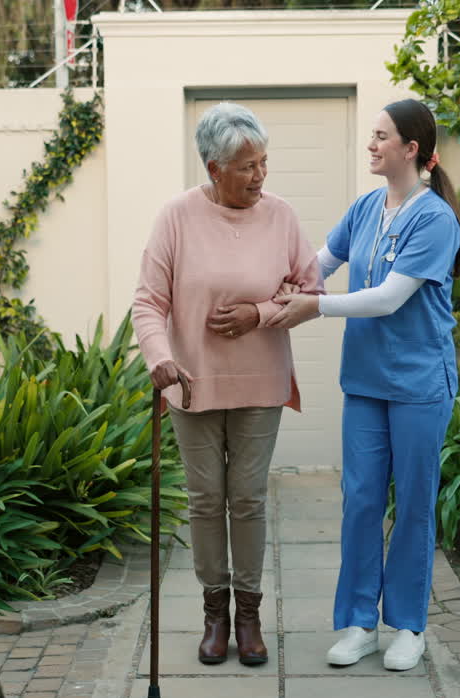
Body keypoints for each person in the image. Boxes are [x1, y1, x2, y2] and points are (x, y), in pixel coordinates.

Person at [269, 98, 460, 672]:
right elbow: (318, 263)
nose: (372, 145)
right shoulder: (364, 208)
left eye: (382, 137)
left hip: (419, 383)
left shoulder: (435, 219)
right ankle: (358, 623)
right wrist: (277, 285)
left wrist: (314, 307)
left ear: (412, 149)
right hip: (366, 383)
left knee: (413, 507)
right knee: (359, 501)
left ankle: (407, 625)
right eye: (370, 135)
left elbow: (387, 298)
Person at [131, 102, 323, 666]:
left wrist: (259, 314)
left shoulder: (281, 216)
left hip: (261, 384)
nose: (261, 175)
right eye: (247, 166)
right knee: (205, 500)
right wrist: (160, 358)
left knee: (247, 498)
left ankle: (249, 616)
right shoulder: (176, 217)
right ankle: (214, 612)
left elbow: (311, 293)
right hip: (192, 384)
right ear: (214, 168)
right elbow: (148, 301)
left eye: (264, 162)